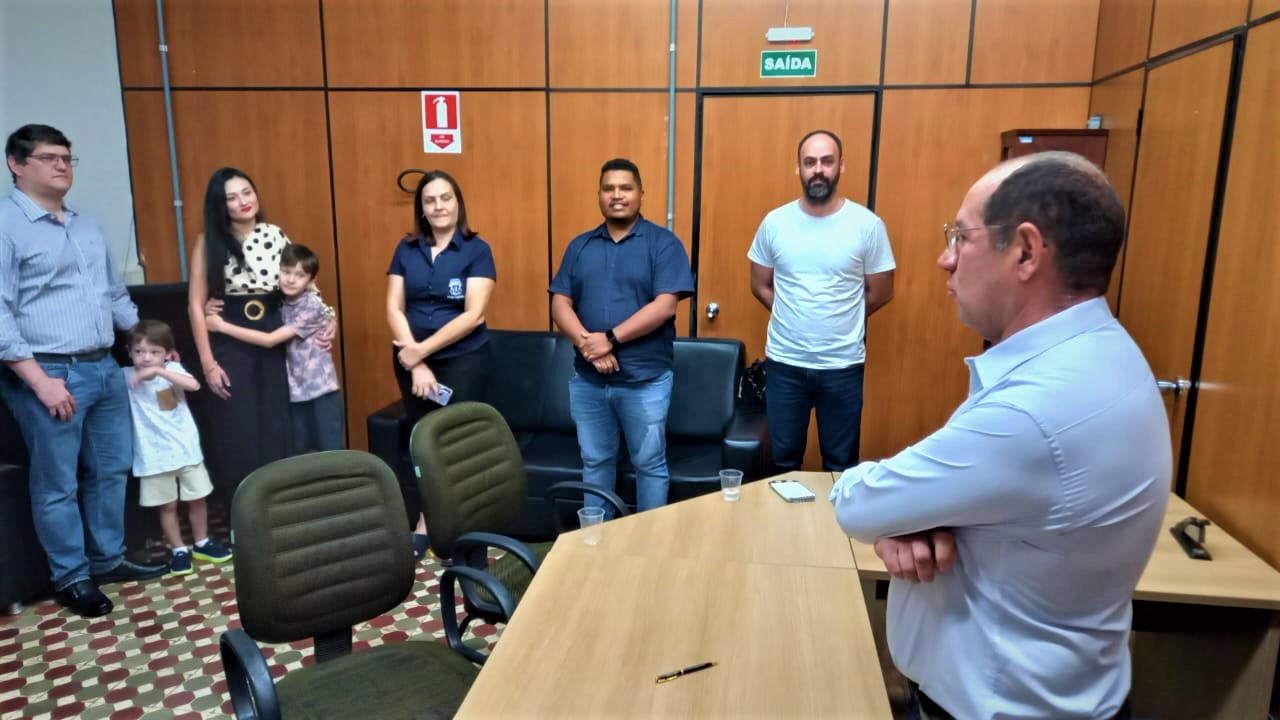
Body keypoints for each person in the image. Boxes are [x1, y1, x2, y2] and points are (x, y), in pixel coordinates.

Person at [830, 152, 1170, 719]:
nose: (944, 260)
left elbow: (857, 503)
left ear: (1026, 251)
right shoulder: (1104, 353)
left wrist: (891, 516)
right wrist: (908, 518)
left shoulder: (1034, 411)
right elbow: (992, 500)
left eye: (961, 237)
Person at [0, 124, 165, 618]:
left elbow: (113, 294)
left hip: (104, 366)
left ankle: (107, 559)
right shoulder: (7, 225)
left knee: (111, 469)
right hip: (49, 372)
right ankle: (71, 576)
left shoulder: (85, 225)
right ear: (16, 164)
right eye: (49, 158)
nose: (62, 166)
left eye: (67, 158)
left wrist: (149, 342)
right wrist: (39, 382)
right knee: (58, 484)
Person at [549, 158, 694, 512]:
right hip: (589, 381)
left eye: (625, 188)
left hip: (645, 381)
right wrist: (590, 346)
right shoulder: (579, 246)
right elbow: (559, 304)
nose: (617, 195)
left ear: (641, 193)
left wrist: (609, 339)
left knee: (649, 465)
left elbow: (665, 306)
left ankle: (648, 543)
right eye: (608, 188)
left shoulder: (663, 244)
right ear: (599, 195)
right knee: (595, 463)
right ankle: (596, 539)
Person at [748, 129, 895, 472]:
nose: (818, 170)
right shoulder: (775, 222)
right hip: (785, 364)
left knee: (840, 466)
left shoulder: (867, 225)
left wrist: (841, 317)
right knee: (782, 464)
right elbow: (760, 284)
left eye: (827, 161)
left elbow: (881, 291)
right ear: (798, 168)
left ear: (841, 166)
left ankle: (835, 512)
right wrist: (792, 313)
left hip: (842, 367)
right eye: (810, 162)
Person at [188, 167, 331, 500]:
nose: (243, 201)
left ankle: (280, 507)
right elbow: (195, 306)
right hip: (229, 338)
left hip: (273, 333)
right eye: (232, 197)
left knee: (276, 423)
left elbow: (306, 285)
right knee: (238, 426)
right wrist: (208, 364)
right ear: (220, 205)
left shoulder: (274, 234)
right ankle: (242, 511)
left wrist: (330, 319)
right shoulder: (208, 242)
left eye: (247, 192)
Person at [386, 170, 496, 558]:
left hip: (463, 360)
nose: (438, 206)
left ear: (458, 203)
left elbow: (474, 315)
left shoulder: (477, 250)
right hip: (410, 361)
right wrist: (415, 360)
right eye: (430, 200)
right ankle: (425, 522)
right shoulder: (406, 249)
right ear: (421, 208)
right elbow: (394, 307)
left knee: (457, 443)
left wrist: (421, 351)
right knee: (422, 442)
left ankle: (464, 526)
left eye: (446, 198)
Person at [207, 244, 343, 452]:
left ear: (311, 281)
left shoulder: (311, 306)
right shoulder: (278, 300)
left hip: (320, 390)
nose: (291, 279)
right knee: (299, 452)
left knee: (330, 450)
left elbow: (270, 340)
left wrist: (222, 326)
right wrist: (207, 306)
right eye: (286, 272)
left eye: (300, 275)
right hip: (293, 392)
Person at [123, 320, 232, 576]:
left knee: (197, 498)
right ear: (129, 352)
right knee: (167, 506)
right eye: (139, 351)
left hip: (186, 450)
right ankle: (178, 549)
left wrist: (160, 371)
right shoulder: (126, 375)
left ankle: (202, 542)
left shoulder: (172, 369)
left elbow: (193, 385)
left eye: (154, 352)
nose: (146, 358)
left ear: (167, 353)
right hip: (153, 455)